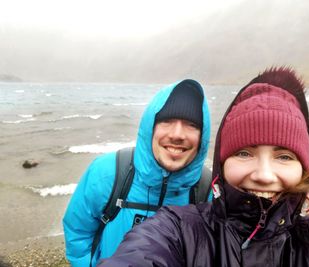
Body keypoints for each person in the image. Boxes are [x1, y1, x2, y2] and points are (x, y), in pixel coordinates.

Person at [98, 67, 309, 267]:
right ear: (222, 161)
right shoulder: (177, 229)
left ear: (304, 166)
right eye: (243, 153)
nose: (263, 175)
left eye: (284, 156)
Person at [63, 79, 211, 267]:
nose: (177, 134)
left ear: (202, 135)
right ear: (150, 126)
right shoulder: (108, 172)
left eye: (191, 124)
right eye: (166, 121)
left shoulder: (207, 189)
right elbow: (78, 231)